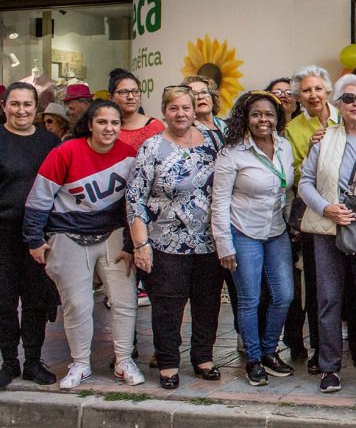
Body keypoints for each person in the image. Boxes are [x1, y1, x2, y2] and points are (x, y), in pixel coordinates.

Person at [24, 100, 143, 390]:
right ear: (89, 124)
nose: (109, 128)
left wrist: (131, 244)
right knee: (77, 305)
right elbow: (39, 198)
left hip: (112, 234)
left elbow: (133, 205)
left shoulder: (129, 155)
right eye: (102, 122)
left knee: (125, 301)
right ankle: (80, 363)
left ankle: (124, 360)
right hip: (68, 235)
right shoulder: (66, 151)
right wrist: (35, 239)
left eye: (115, 123)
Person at [297, 75, 356, 393]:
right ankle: (329, 367)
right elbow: (305, 182)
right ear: (337, 103)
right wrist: (325, 208)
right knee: (328, 298)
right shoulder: (324, 138)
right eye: (349, 99)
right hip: (326, 230)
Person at [126, 85, 222, 389]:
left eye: (186, 108)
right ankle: (168, 363)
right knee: (168, 305)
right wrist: (140, 244)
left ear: (195, 111)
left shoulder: (213, 141)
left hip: (209, 241)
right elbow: (135, 198)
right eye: (174, 108)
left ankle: (203, 358)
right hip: (165, 242)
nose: (181, 114)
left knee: (208, 302)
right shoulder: (152, 147)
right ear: (164, 112)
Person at [211, 91, 295, 387]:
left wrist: (290, 224)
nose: (263, 120)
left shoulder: (284, 147)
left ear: (277, 118)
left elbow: (287, 191)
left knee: (284, 295)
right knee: (249, 300)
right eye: (257, 114)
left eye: (269, 114)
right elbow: (219, 202)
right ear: (245, 118)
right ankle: (254, 359)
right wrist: (224, 244)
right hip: (242, 232)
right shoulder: (232, 153)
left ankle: (271, 350)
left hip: (276, 232)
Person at [0, 83, 60, 388]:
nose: (21, 110)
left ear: (36, 108)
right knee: (4, 301)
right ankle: (9, 362)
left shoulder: (49, 142)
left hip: (38, 235)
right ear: (4, 106)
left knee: (36, 300)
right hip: (3, 234)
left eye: (27, 104)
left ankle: (33, 363)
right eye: (15, 104)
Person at [285, 65, 340, 373]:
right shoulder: (293, 130)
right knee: (319, 287)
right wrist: (310, 150)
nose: (313, 94)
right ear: (299, 96)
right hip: (314, 215)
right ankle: (320, 350)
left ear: (327, 91)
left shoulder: (345, 114)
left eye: (318, 88)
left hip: (349, 212)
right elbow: (293, 177)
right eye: (306, 90)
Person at [109, 68, 164, 150]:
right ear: (111, 97)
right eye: (124, 92)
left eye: (135, 91)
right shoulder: (105, 127)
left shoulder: (154, 127)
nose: (131, 97)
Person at [182, 75, 228, 149]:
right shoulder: (185, 133)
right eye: (194, 94)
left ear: (213, 99)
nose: (200, 97)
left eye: (204, 92)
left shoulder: (229, 127)